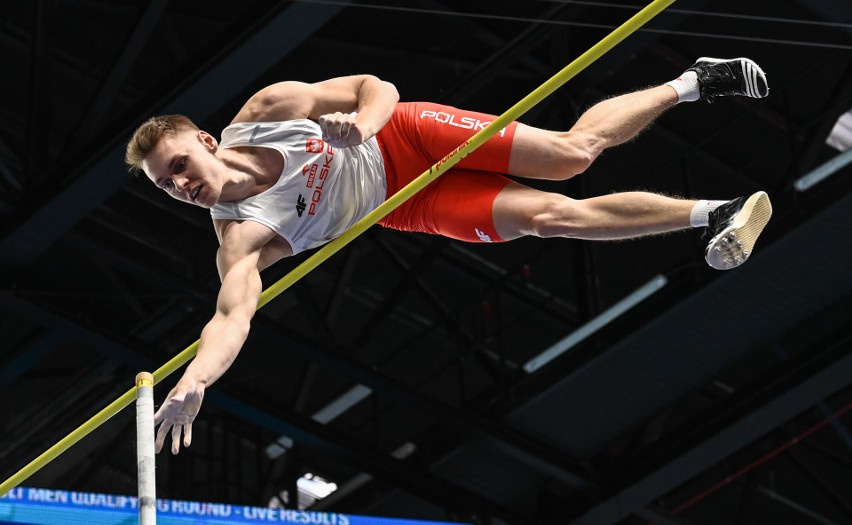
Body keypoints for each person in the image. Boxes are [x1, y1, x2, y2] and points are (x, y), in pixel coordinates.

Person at [125, 56, 772, 455]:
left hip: (406, 135)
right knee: (550, 218)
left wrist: (369, 124)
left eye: (180, 164)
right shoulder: (239, 236)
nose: (180, 184)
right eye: (165, 184)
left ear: (207, 141)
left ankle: (693, 80)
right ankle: (712, 214)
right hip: (403, 203)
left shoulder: (270, 110)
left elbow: (374, 85)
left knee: (571, 155)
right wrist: (194, 382)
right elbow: (232, 316)